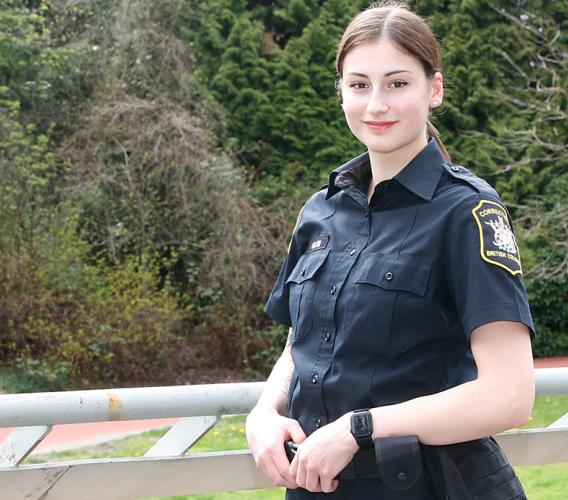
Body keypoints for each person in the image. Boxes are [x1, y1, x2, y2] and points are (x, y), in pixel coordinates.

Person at [246, 2, 535, 498]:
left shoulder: (466, 212)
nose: (376, 104)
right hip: (318, 486)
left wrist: (361, 427)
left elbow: (510, 395)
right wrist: (264, 412)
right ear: (340, 92)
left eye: (398, 83)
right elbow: (304, 343)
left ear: (434, 90)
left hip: (428, 483)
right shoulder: (321, 211)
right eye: (359, 84)